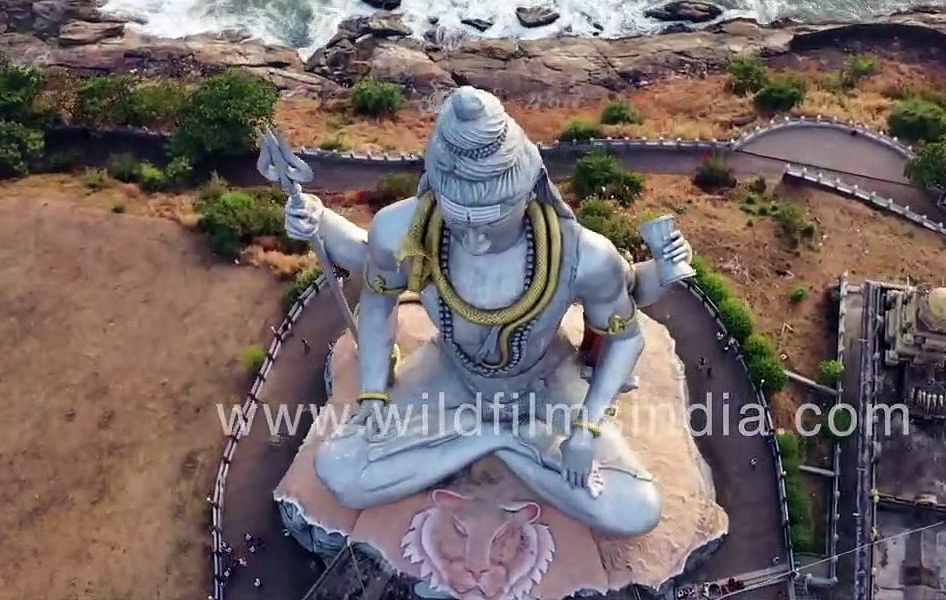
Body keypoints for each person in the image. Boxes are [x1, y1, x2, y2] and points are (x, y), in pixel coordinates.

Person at [283, 87, 693, 538]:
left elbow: (626, 336)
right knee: (340, 470)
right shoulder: (404, 230)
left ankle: (478, 441)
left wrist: (585, 429)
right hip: (449, 372)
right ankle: (501, 439)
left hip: (544, 380)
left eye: (490, 218)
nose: (474, 239)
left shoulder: (581, 255)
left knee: (635, 510)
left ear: (532, 187)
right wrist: (375, 394)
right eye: (459, 220)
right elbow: (378, 301)